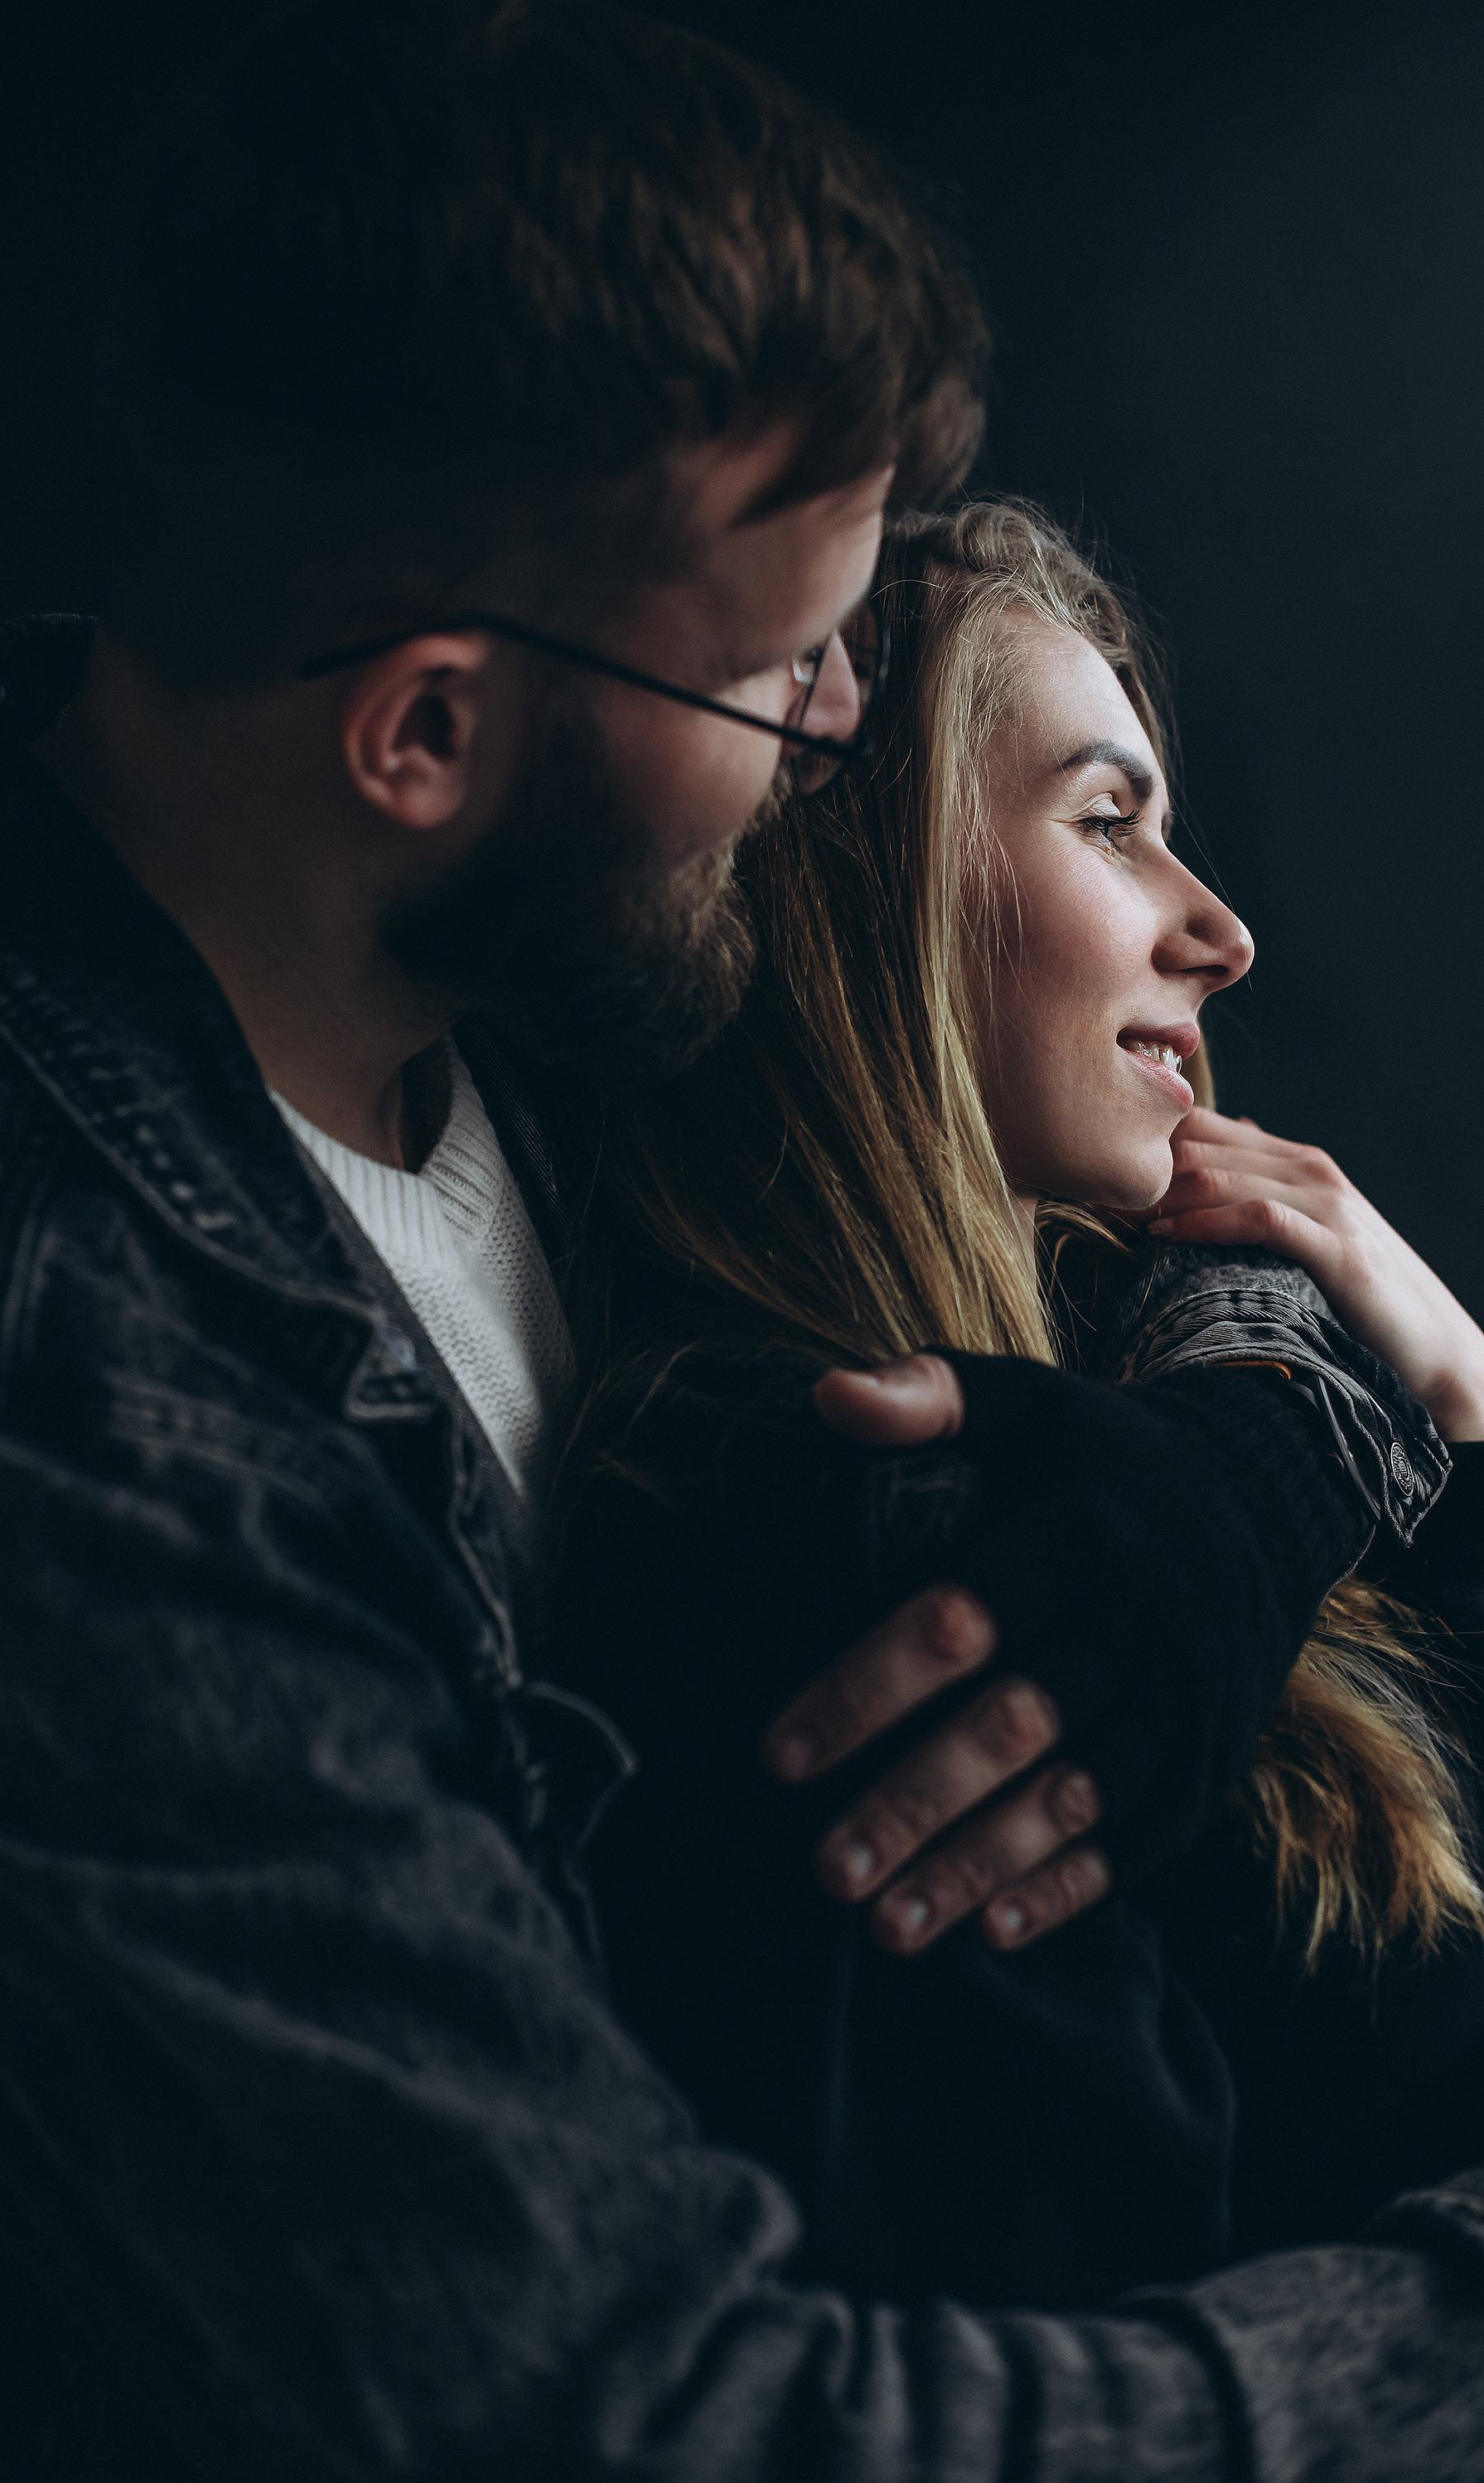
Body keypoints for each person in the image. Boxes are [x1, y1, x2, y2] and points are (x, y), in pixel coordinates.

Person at [0, 4, 1484, 2476]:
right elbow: (654, 2423)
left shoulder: (555, 977)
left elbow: (1003, 1163)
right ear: (423, 732)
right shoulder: (33, 1446)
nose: (836, 739)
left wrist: (1236, 1467)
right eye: (775, 673)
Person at [548, 498, 1484, 2309]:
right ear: (859, 898)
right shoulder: (870, 1498)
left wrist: (1420, 1391)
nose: (1218, 932)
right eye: (1108, 820)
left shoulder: (1152, 1402)